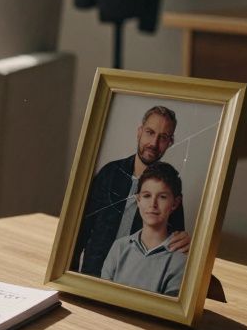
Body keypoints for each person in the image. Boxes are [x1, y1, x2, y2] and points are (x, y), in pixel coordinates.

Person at [73, 105, 190, 277]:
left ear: (170, 142)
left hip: (135, 282)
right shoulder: (109, 173)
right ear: (140, 132)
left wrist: (188, 243)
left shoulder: (170, 186)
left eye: (163, 137)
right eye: (150, 132)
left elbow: (176, 243)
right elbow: (79, 230)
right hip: (92, 276)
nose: (153, 143)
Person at [100, 163, 187, 296]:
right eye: (147, 196)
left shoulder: (180, 260)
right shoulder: (119, 247)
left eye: (162, 197)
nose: (153, 204)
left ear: (175, 203)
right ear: (138, 199)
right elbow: (103, 297)